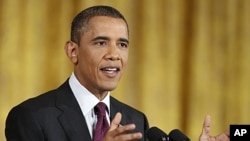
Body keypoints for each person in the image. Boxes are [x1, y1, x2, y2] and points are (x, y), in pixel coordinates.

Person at [5, 5, 229, 141]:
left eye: (122, 45)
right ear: (73, 51)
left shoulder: (136, 121)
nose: (115, 55)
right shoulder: (30, 117)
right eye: (101, 43)